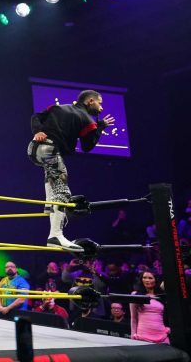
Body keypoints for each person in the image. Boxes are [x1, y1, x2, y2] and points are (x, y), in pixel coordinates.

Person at [28, 90, 115, 250]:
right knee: (63, 192)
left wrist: (38, 131)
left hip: (35, 148)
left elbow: (36, 116)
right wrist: (100, 127)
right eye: (100, 103)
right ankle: (55, 236)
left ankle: (50, 205)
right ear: (90, 101)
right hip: (51, 150)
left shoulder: (58, 107)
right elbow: (87, 146)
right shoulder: (87, 119)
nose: (101, 108)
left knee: (52, 174)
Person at [130, 270, 170, 343]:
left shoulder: (161, 295)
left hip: (162, 335)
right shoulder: (135, 295)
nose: (147, 280)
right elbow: (133, 318)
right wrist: (133, 335)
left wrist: (169, 328)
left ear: (155, 280)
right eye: (144, 277)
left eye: (150, 278)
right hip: (142, 335)